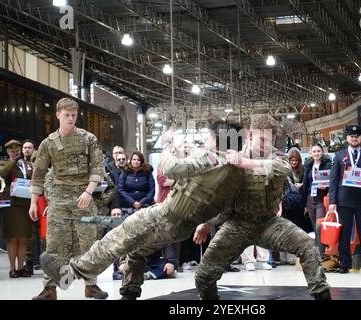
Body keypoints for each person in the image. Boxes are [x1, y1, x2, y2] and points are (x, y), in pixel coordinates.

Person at [41, 118, 245, 300]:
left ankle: (69, 273)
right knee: (137, 251)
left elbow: (170, 168)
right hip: (182, 229)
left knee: (115, 240)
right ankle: (130, 291)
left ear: (218, 140)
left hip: (164, 216)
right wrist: (207, 222)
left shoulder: (210, 158)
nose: (206, 141)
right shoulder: (236, 175)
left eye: (209, 137)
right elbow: (226, 210)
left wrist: (167, 146)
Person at [193, 115, 330, 300]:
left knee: (307, 245)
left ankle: (322, 296)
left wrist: (244, 164)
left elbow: (284, 168)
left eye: (271, 140)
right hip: (237, 224)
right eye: (263, 139)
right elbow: (220, 196)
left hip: (269, 224)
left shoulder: (276, 157)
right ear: (250, 135)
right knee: (203, 275)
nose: (268, 145)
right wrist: (207, 223)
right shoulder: (232, 156)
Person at [29, 97, 108, 300]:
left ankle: (91, 285)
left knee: (89, 243)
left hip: (84, 196)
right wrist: (33, 202)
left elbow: (98, 166)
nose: (71, 118)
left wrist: (89, 191)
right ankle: (49, 289)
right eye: (66, 115)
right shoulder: (48, 143)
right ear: (58, 115)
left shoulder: (88, 139)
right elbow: (38, 173)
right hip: (59, 198)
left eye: (73, 115)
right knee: (54, 246)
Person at [328, 125, 361, 273]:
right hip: (343, 200)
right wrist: (332, 202)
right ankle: (344, 264)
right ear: (347, 138)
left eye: (357, 136)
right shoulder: (339, 156)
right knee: (344, 234)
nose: (354, 138)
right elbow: (333, 180)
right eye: (351, 136)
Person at [0, 140, 33, 278]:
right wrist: (12, 160)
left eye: (17, 150)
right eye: (11, 151)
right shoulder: (3, 162)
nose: (15, 152)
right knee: (12, 238)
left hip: (25, 203)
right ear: (7, 152)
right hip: (11, 204)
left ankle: (20, 268)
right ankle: (12, 269)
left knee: (23, 238)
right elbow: (3, 173)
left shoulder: (28, 164)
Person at [302, 144, 332, 258]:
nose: (316, 153)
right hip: (310, 197)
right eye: (314, 151)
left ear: (322, 152)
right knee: (315, 227)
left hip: (322, 197)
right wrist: (304, 202)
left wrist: (326, 187)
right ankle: (318, 253)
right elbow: (306, 182)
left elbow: (331, 180)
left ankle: (322, 254)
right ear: (311, 153)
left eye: (318, 151)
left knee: (320, 226)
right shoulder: (308, 165)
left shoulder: (328, 164)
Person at [21, 139, 38, 275]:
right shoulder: (18, 164)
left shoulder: (42, 163)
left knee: (45, 236)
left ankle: (45, 263)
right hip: (27, 204)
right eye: (25, 147)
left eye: (29, 147)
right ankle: (29, 264)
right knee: (29, 236)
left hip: (42, 203)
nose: (27, 149)